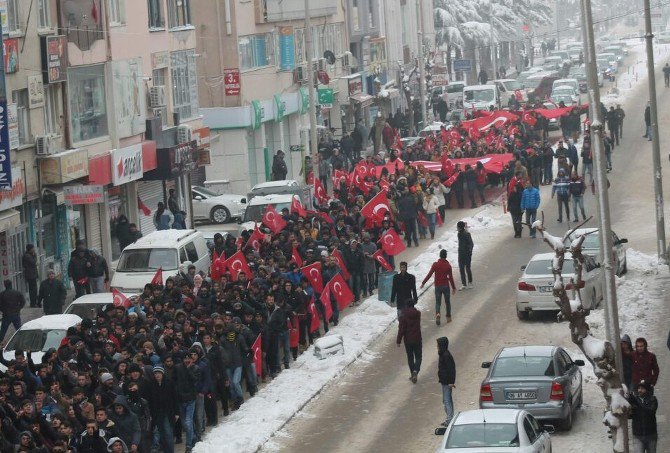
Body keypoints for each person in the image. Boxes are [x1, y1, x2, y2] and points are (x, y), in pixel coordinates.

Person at [421, 249, 457, 325]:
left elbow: (429, 274)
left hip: (437, 286)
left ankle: (438, 314)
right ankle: (448, 317)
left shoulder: (435, 264)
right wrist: (453, 287)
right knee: (447, 302)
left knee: (438, 302)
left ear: (440, 255)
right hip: (446, 286)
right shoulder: (448, 266)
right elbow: (450, 277)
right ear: (446, 256)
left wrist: (423, 283)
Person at [627, 381, 658, 453]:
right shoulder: (635, 400)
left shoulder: (652, 399)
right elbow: (629, 416)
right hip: (638, 436)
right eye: (638, 388)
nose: (639, 390)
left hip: (651, 435)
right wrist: (629, 406)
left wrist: (637, 404)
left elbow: (651, 412)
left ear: (647, 390)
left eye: (642, 388)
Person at [396, 299, 422, 383]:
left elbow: (401, 330)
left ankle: (412, 374)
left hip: (408, 340)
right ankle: (415, 371)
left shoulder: (403, 316)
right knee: (418, 357)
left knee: (410, 358)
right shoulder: (418, 314)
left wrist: (398, 340)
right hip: (417, 338)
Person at [437, 337, 456, 427]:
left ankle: (449, 419)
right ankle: (450, 418)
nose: (437, 346)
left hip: (447, 382)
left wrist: (451, 381)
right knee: (447, 400)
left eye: (438, 345)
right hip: (444, 381)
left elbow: (451, 369)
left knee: (446, 400)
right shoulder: (443, 354)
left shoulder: (446, 355)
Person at [456, 221, 473, 290]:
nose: (457, 228)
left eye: (457, 227)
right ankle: (464, 284)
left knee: (467, 268)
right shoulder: (459, 234)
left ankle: (470, 282)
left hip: (467, 254)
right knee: (461, 269)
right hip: (461, 254)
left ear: (459, 227)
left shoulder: (467, 234)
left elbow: (471, 244)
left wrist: (469, 252)